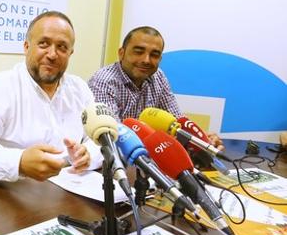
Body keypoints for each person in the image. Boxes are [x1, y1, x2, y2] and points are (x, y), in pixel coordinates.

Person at [0, 11, 102, 183]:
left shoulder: (80, 89)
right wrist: (19, 162)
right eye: (44, 44)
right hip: (3, 191)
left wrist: (88, 155)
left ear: (70, 53)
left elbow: (100, 139)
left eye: (62, 47)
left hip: (66, 188)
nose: (52, 54)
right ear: (26, 47)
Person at [88, 26, 223, 149]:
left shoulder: (158, 76)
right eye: (138, 52)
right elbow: (113, 139)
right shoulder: (103, 82)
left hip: (147, 160)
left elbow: (175, 121)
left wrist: (201, 141)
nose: (146, 60)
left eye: (154, 55)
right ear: (121, 53)